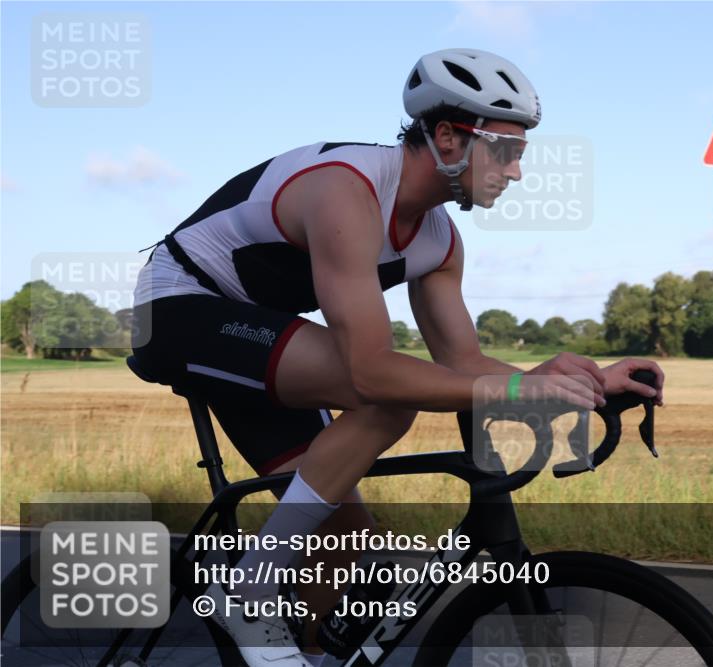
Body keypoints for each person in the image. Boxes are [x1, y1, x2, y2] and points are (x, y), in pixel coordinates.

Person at [131, 48, 664, 666]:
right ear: (446, 136)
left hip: (259, 335)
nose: (516, 171)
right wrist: (518, 393)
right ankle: (248, 592)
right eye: (506, 151)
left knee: (342, 540)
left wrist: (582, 380)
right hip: (176, 308)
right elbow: (371, 371)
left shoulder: (439, 240)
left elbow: (462, 359)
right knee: (386, 396)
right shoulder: (346, 190)